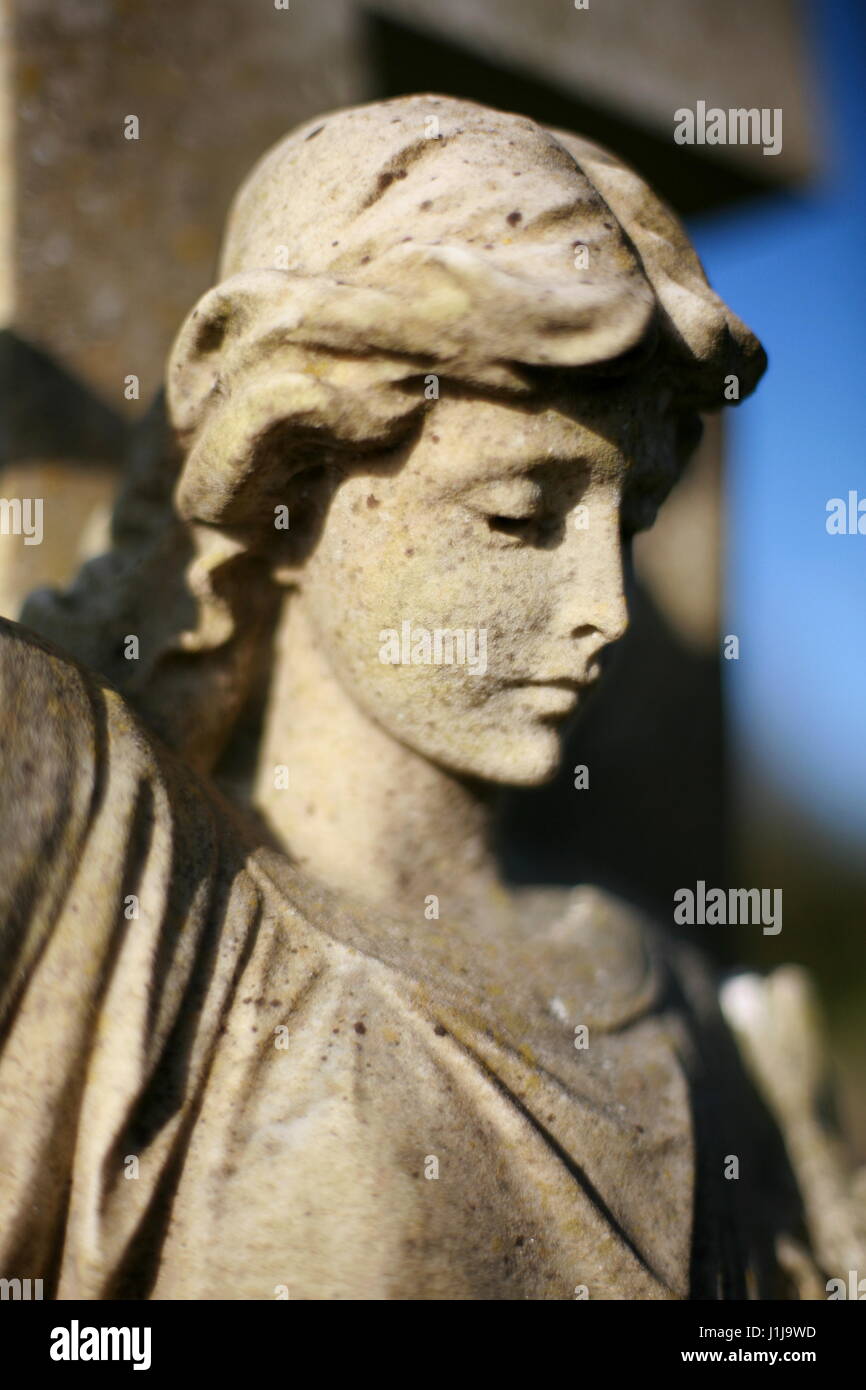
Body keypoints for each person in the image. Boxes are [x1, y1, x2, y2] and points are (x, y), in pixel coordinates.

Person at [0, 95, 823, 1299]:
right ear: (284, 483)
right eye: (516, 515)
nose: (608, 606)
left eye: (629, 522)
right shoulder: (109, 858)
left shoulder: (669, 987)